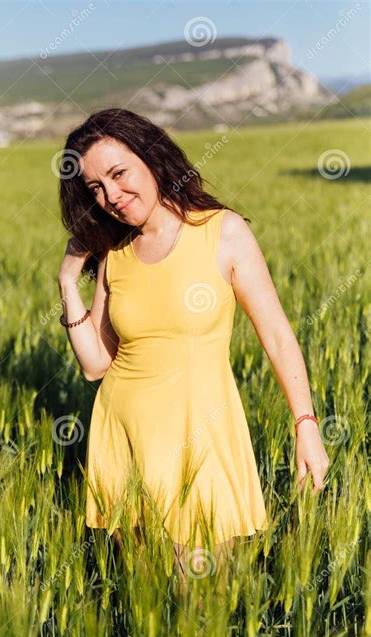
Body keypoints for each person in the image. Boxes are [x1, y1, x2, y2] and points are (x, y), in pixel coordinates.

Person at [57, 108, 330, 586]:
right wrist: (67, 283)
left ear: (151, 157)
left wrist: (305, 422)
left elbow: (278, 334)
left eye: (119, 174)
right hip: (122, 438)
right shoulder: (114, 255)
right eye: (96, 188)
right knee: (148, 600)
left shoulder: (221, 232)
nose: (112, 197)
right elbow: (96, 365)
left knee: (200, 599)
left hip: (200, 438)